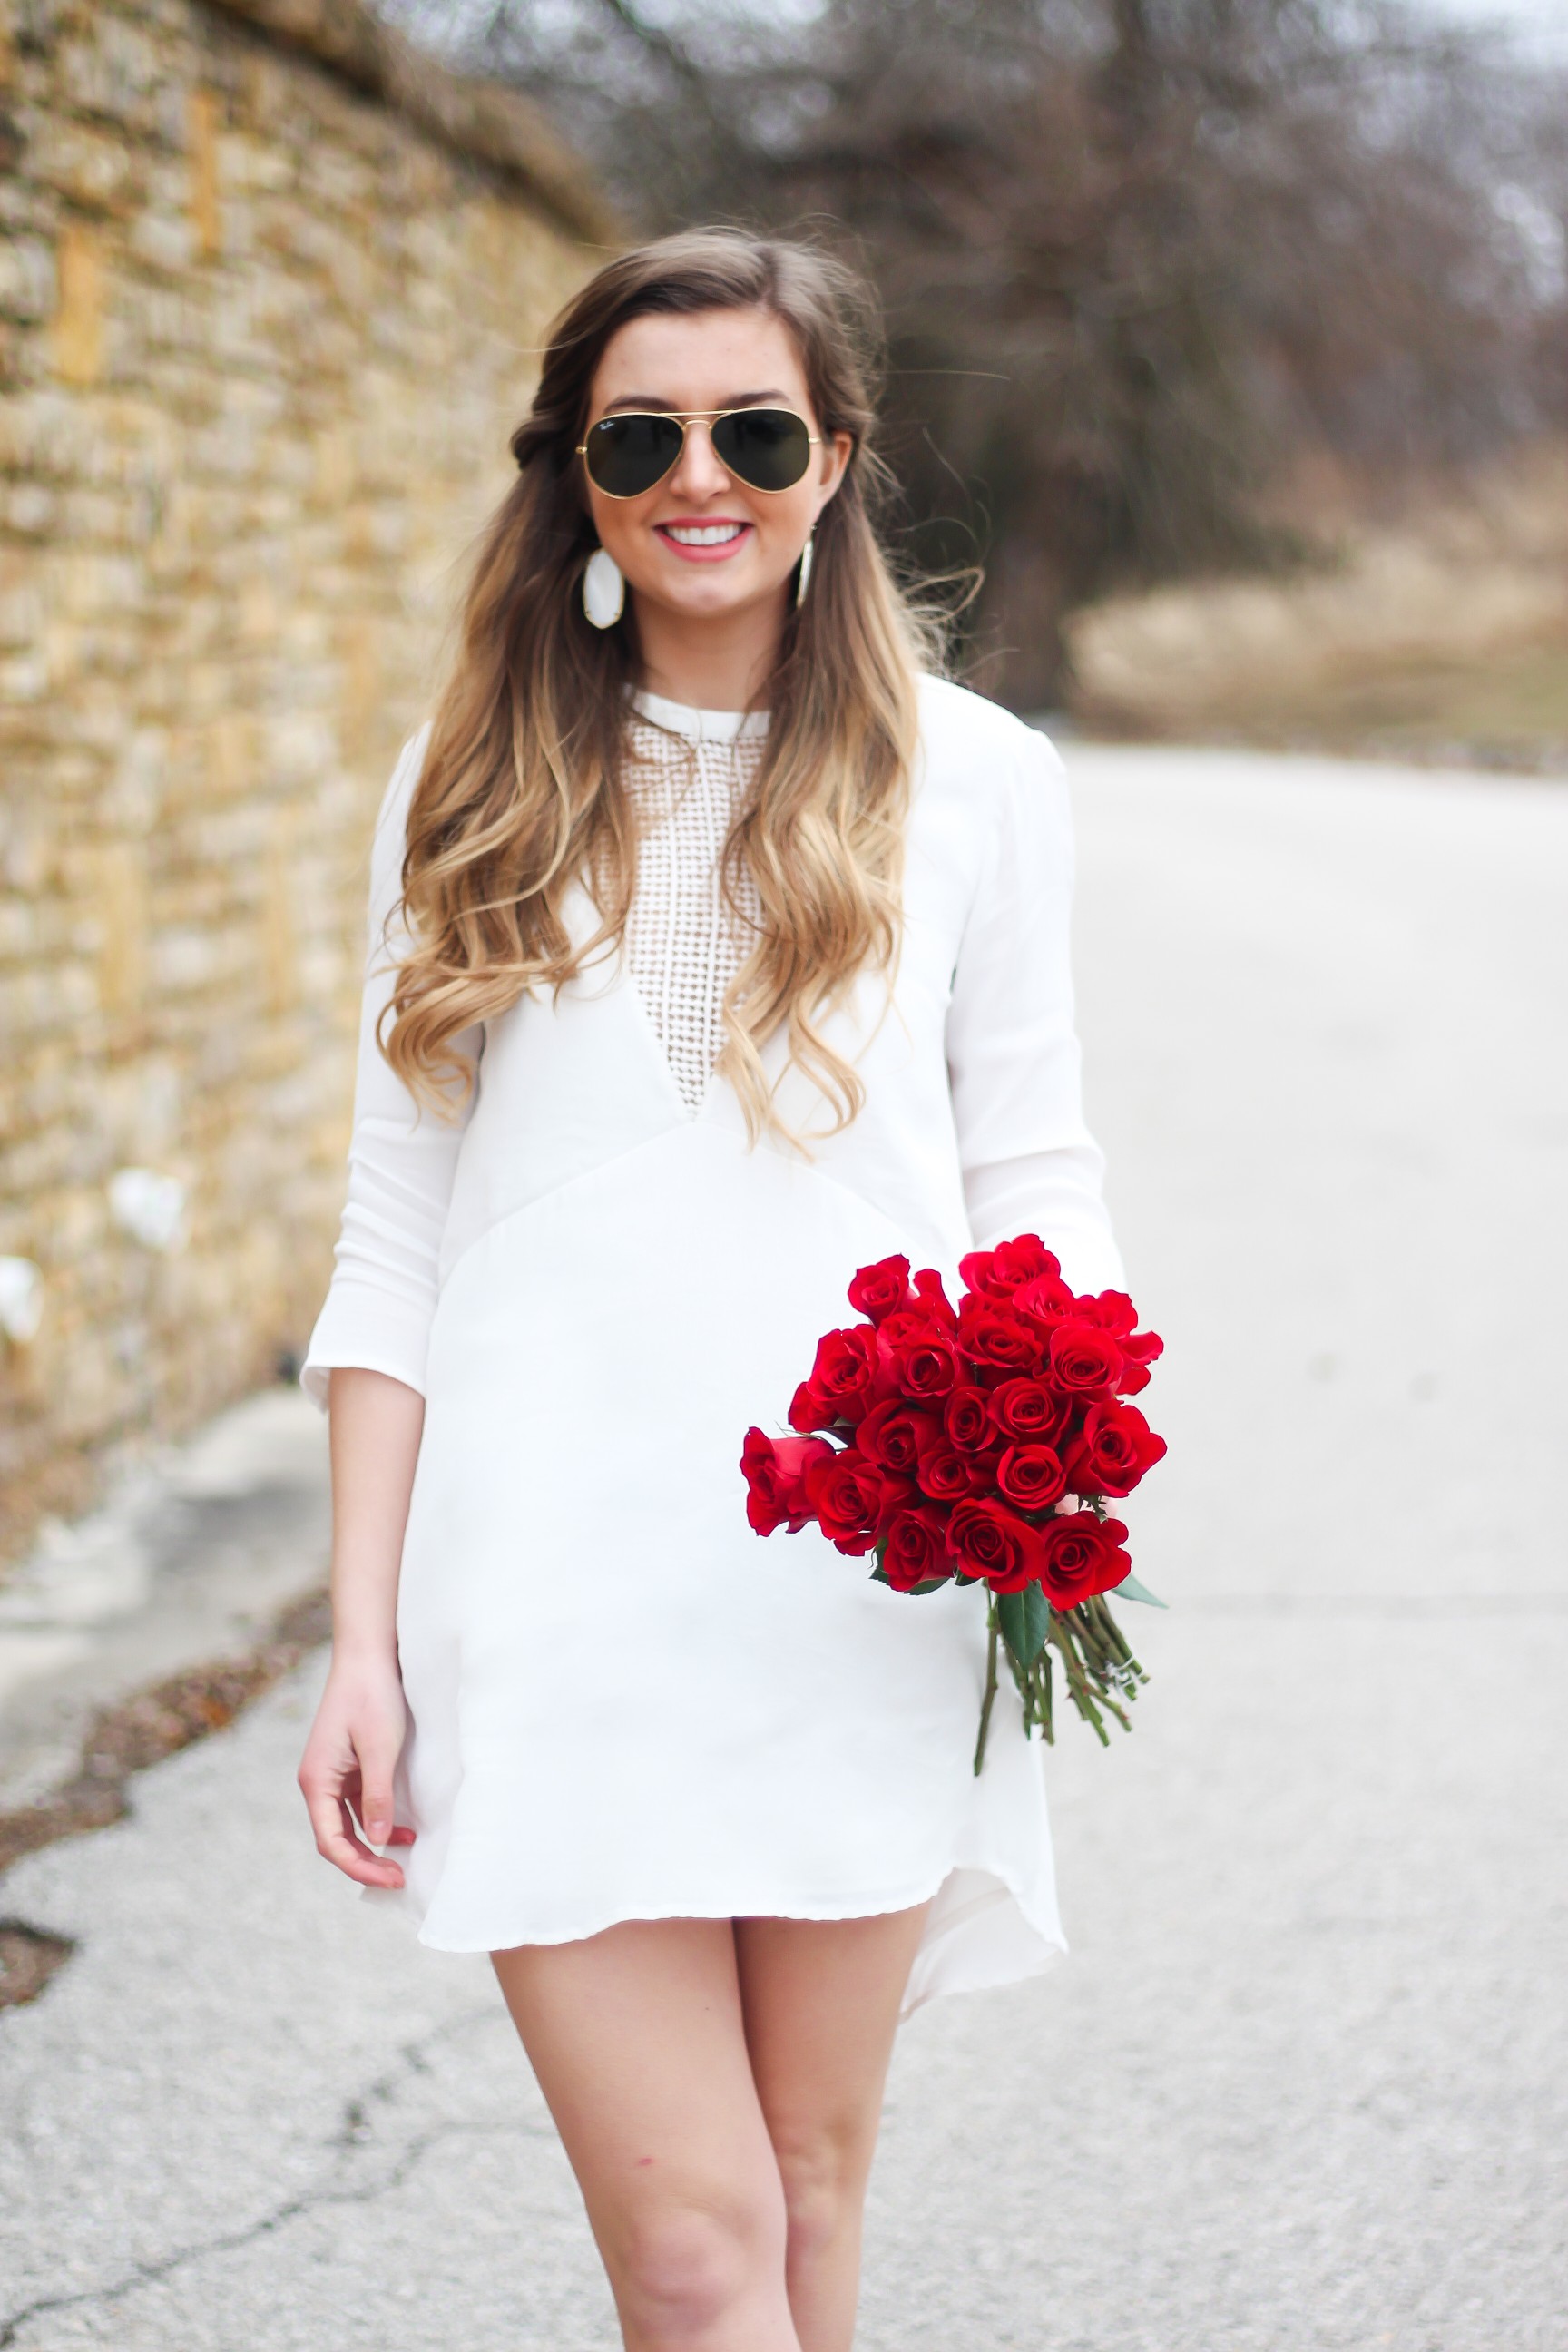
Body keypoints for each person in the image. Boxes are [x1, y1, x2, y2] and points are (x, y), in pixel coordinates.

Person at [297, 228, 1123, 2352]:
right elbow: (395, 1235)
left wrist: (1064, 1482)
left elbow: (1035, 1168)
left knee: (813, 2198)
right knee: (692, 2249)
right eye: (640, 434)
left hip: (865, 1593)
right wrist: (362, 1637)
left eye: (755, 429)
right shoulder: (465, 793)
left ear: (834, 460)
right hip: (556, 1593)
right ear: (572, 470)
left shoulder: (980, 785)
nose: (702, 475)